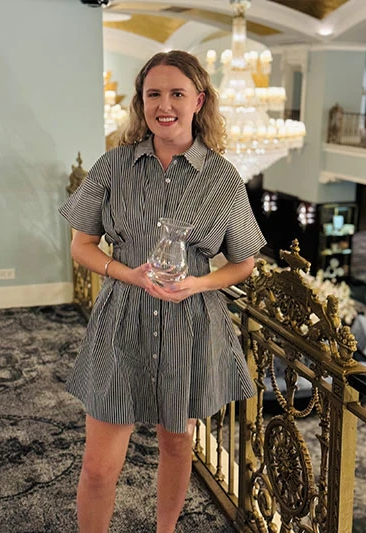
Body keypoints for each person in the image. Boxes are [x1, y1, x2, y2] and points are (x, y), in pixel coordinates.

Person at [59, 50, 266, 533]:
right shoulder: (113, 166)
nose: (164, 105)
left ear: (199, 101)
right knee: (98, 467)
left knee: (177, 445)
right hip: (121, 320)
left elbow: (244, 263)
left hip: (188, 325)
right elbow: (81, 246)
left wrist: (199, 283)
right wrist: (127, 273)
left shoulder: (222, 178)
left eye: (177, 93)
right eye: (154, 94)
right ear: (141, 102)